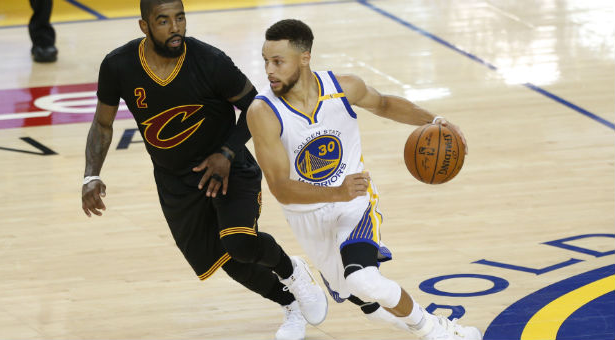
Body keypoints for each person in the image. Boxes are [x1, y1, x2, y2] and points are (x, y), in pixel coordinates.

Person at [80, 2, 327, 340]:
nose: (175, 27)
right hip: (176, 182)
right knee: (226, 260)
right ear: (144, 26)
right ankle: (290, 304)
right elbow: (103, 124)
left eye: (179, 18)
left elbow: (257, 108)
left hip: (229, 168)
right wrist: (91, 175)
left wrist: (226, 153)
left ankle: (292, 270)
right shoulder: (118, 65)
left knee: (239, 242)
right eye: (163, 21)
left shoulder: (209, 61)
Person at [247, 19, 481, 340]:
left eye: (278, 61)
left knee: (363, 280)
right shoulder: (263, 112)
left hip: (355, 202)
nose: (269, 70)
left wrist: (436, 121)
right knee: (373, 309)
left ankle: (438, 331)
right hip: (307, 215)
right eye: (266, 61)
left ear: (304, 58)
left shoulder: (342, 88)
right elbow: (281, 189)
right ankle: (306, 272)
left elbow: (383, 104)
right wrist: (333, 193)